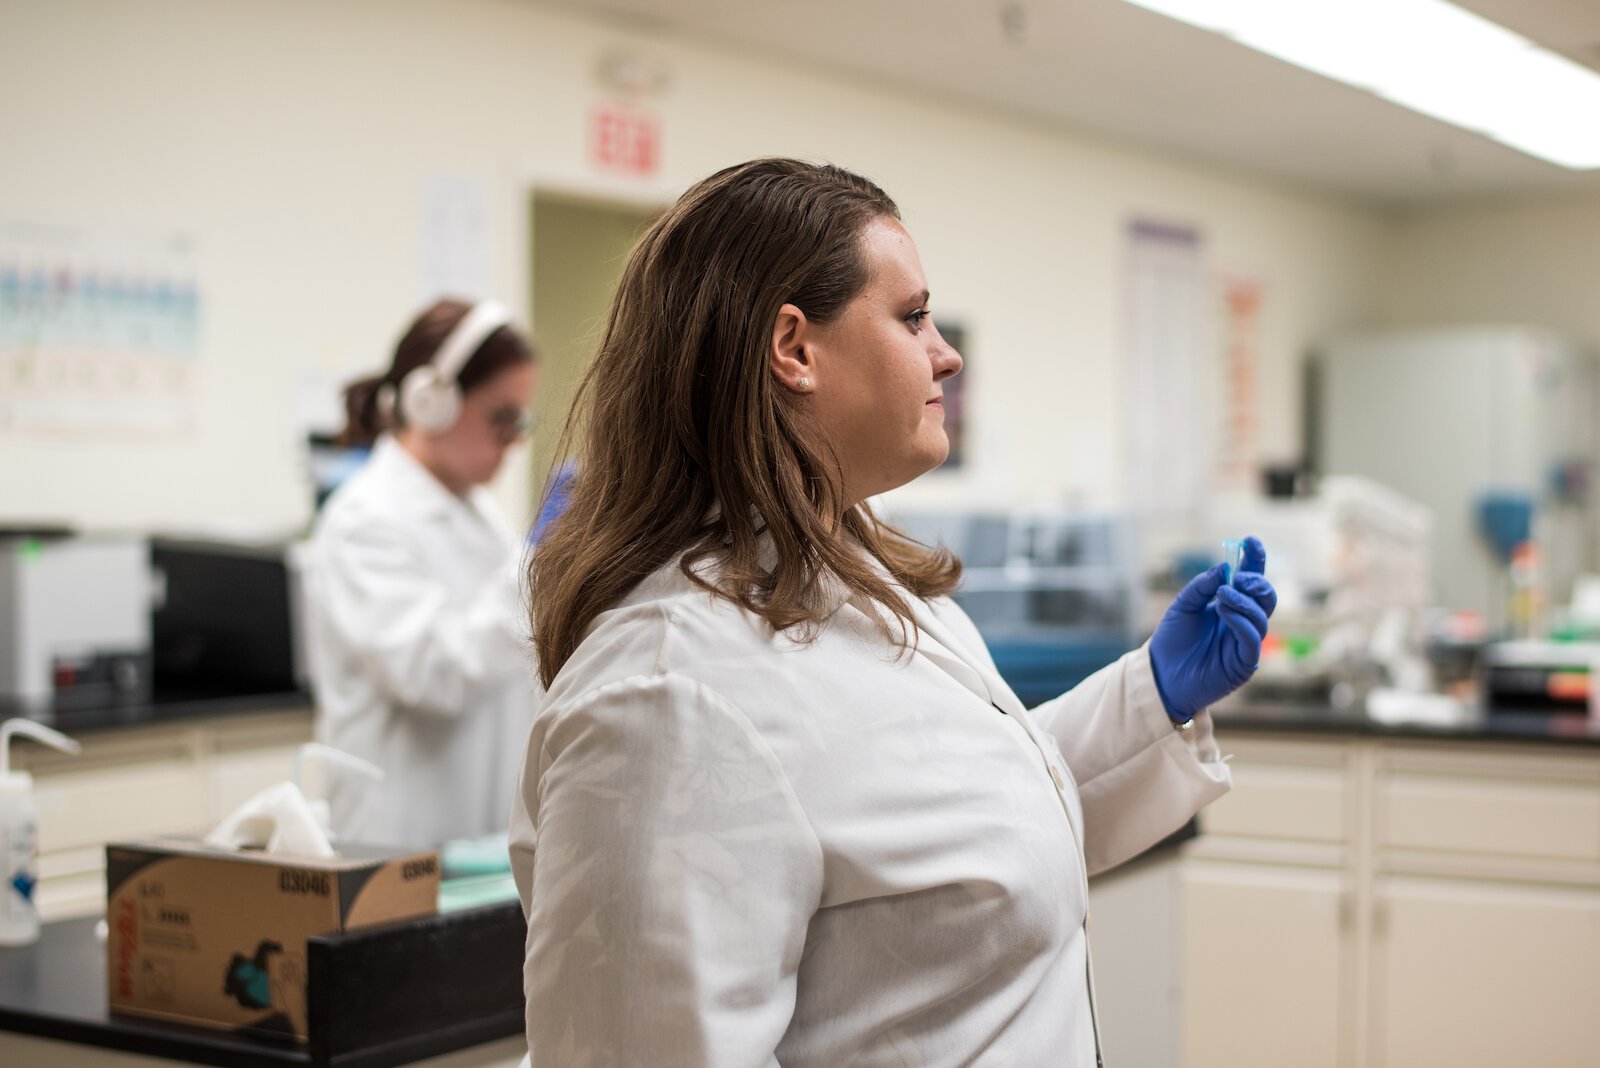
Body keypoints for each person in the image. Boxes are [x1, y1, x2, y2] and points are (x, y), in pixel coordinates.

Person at [510, 159, 1276, 1066]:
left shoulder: (873, 580)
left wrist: (1149, 693)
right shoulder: (672, 693)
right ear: (792, 349)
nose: (946, 353)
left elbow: (962, 828)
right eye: (913, 317)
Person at [304, 298, 541, 849]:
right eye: (502, 417)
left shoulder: (476, 511)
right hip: (395, 838)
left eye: (520, 420)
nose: (514, 440)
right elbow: (434, 673)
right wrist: (536, 567)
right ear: (430, 401)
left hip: (475, 832)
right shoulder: (363, 519)